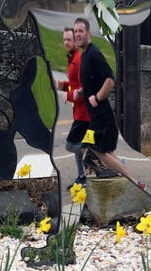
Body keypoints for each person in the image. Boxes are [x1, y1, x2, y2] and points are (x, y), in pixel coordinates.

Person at [73, 17, 144, 188]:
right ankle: (113, 168)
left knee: (96, 148)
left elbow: (109, 80)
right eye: (75, 32)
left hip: (101, 116)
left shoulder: (94, 54)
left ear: (88, 33)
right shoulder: (86, 55)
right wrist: (81, 92)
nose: (77, 35)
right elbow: (92, 82)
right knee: (95, 148)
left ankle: (134, 181)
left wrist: (97, 97)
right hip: (95, 116)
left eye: (80, 31)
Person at [56, 27, 91, 187]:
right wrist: (64, 86)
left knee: (71, 145)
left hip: (85, 114)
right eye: (64, 40)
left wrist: (68, 95)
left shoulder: (79, 59)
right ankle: (82, 176)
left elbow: (84, 88)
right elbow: (75, 85)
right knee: (79, 145)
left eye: (69, 40)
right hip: (80, 113)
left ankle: (93, 155)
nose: (66, 43)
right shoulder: (73, 58)